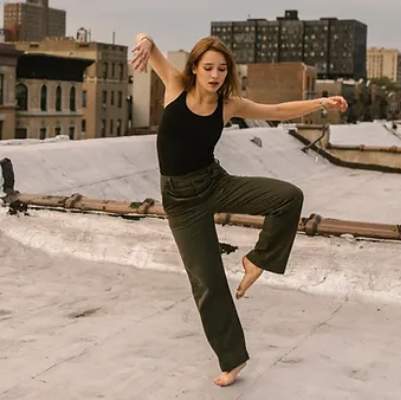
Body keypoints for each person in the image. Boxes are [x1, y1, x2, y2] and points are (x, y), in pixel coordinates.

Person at [130, 33, 348, 387]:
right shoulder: (175, 86)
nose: (215, 75)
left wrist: (320, 102)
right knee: (208, 283)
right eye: (208, 68)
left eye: (221, 69)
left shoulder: (228, 105)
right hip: (181, 203)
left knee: (288, 197)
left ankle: (258, 259)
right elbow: (150, 46)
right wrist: (143, 41)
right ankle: (232, 359)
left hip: (214, 182)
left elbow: (276, 111)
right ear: (195, 68)